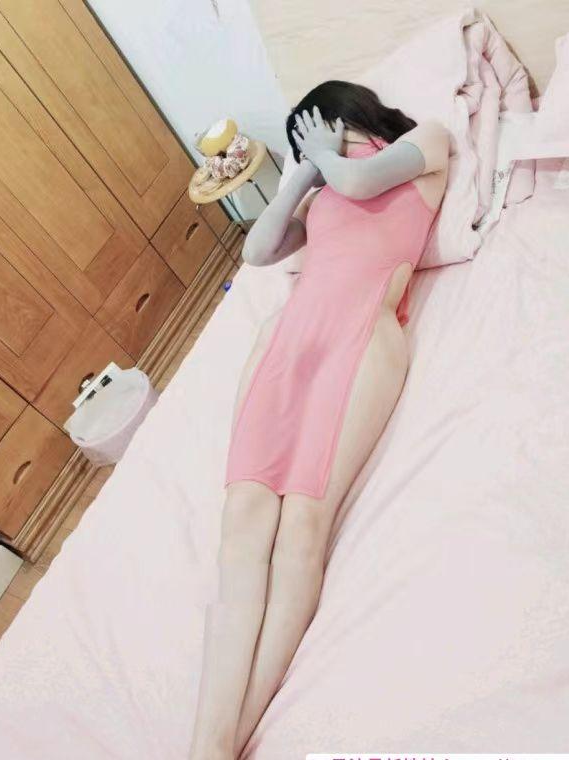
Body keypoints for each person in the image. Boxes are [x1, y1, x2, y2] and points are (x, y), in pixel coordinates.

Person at [189, 80, 450, 760]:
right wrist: (301, 177)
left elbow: (362, 182)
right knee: (245, 513)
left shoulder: (425, 143)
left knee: (304, 520)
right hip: (290, 336)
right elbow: (256, 253)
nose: (320, 149)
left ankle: (218, 745)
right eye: (307, 142)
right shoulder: (323, 188)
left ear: (350, 116)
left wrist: (330, 160)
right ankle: (206, 740)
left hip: (361, 337)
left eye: (323, 132)